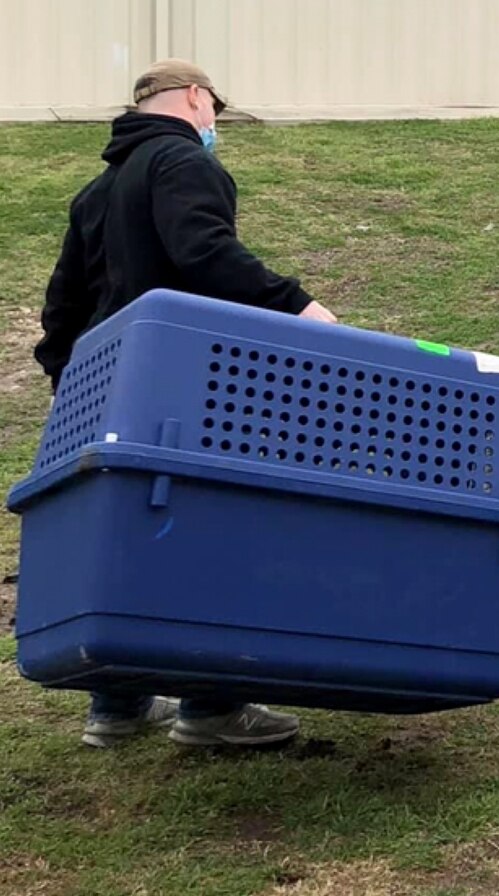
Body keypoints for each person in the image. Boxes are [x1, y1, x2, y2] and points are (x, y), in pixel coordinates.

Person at [35, 59, 337, 750]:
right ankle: (212, 703)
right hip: (189, 381)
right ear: (197, 99)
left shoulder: (98, 189)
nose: (214, 127)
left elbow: (63, 306)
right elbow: (204, 252)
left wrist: (69, 379)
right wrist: (297, 305)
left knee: (126, 537)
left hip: (111, 388)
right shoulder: (181, 162)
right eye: (214, 114)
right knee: (210, 530)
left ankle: (117, 700)